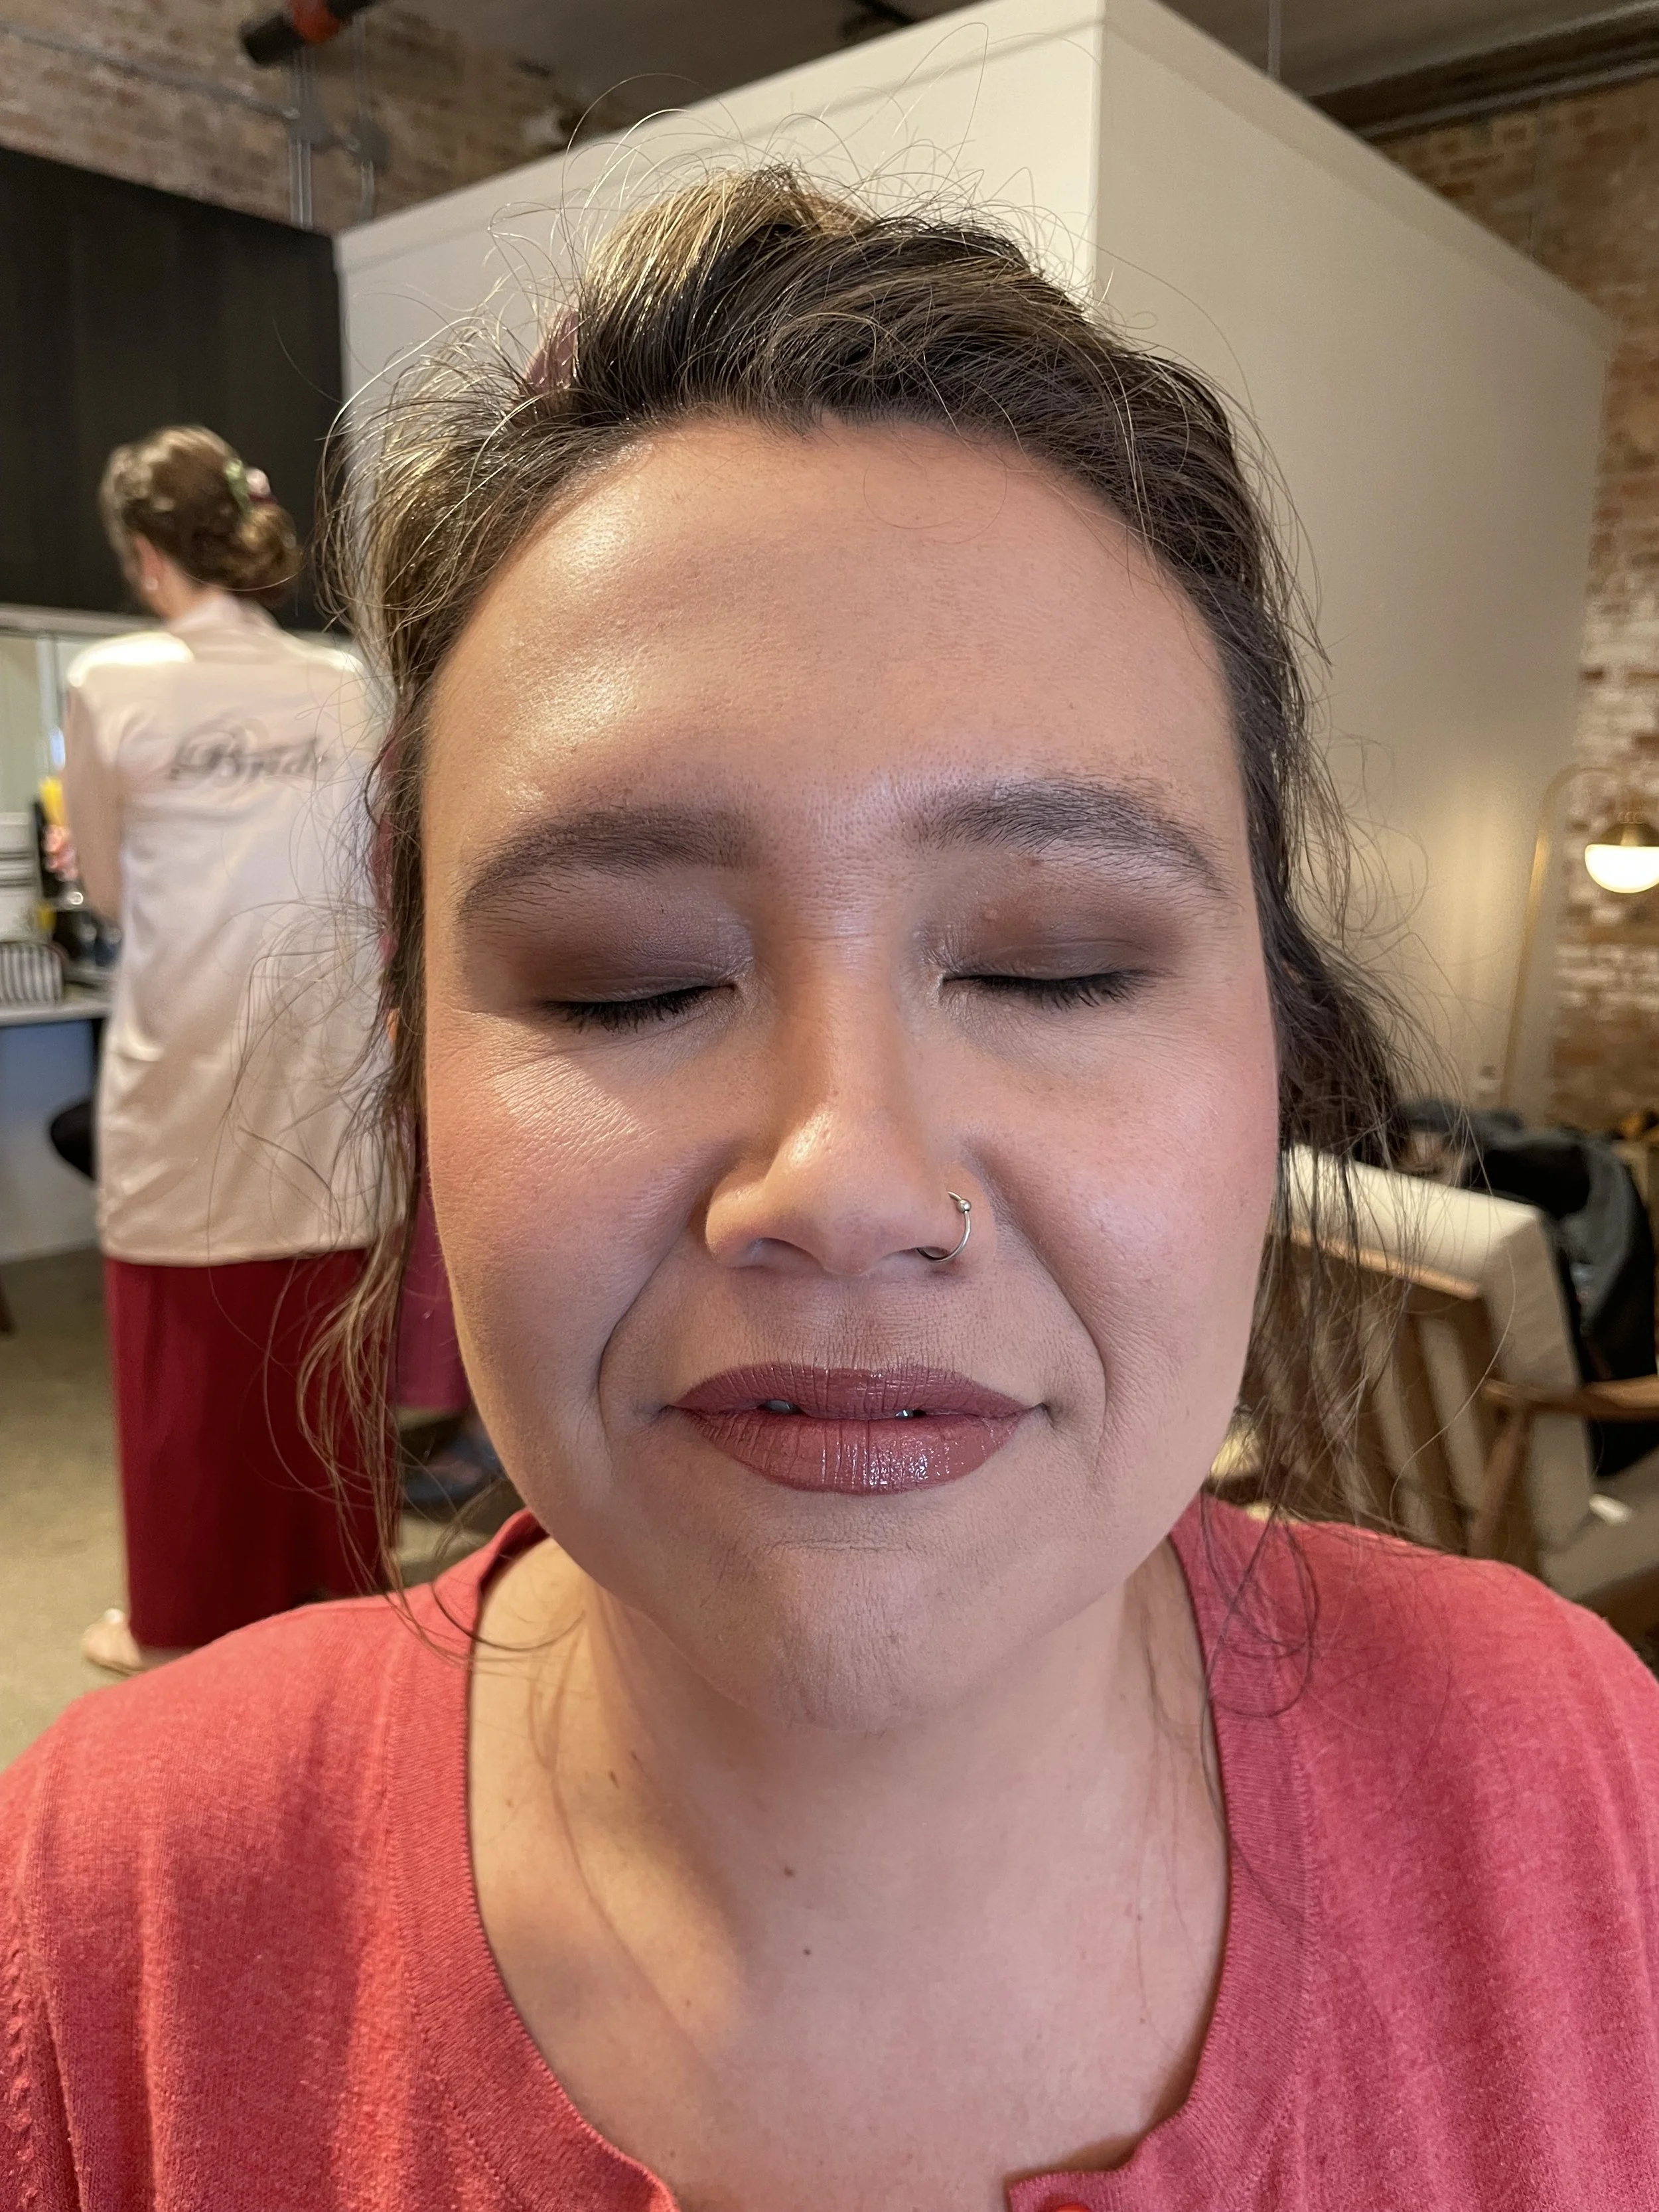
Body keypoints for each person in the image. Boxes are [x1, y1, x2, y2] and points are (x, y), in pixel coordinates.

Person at [4, 173, 1658, 2206]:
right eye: (630, 980)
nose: (848, 1180)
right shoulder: (106, 1921)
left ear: (1278, 1042)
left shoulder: (1575, 1778)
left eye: (1055, 963)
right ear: (416, 1039)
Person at [58, 426, 382, 1675]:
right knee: (318, 1359)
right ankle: (330, 1605)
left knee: (187, 1372)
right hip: (322, 1061)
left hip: (184, 1053)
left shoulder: (110, 683)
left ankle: (178, 1621)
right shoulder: (343, 683)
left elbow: (111, 889)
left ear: (146, 558)